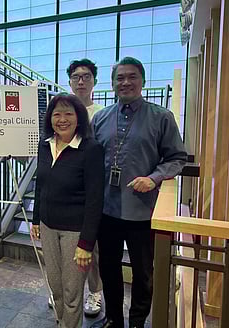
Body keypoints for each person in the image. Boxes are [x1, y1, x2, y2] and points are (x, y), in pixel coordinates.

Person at [90, 57, 187, 328]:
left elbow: (177, 157)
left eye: (132, 76)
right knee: (109, 268)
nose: (126, 82)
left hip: (143, 210)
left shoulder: (161, 117)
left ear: (142, 81)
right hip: (107, 209)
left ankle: (136, 322)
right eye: (120, 78)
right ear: (112, 85)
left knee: (143, 273)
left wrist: (154, 178)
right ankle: (113, 319)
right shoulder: (101, 118)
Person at [31, 93, 105, 328]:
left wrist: (86, 244)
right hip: (47, 226)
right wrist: (35, 219)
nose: (62, 119)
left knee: (72, 292)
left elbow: (95, 200)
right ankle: (62, 323)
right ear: (50, 118)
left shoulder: (90, 149)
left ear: (79, 117)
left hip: (75, 231)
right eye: (57, 114)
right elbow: (40, 184)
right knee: (56, 286)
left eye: (68, 114)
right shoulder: (45, 145)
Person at [67, 59, 105, 317]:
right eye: (76, 77)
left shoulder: (103, 113)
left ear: (94, 81)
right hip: (66, 192)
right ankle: (68, 292)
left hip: (91, 190)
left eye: (87, 76)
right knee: (64, 246)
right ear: (70, 81)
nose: (81, 81)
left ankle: (95, 292)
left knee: (92, 246)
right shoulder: (61, 109)